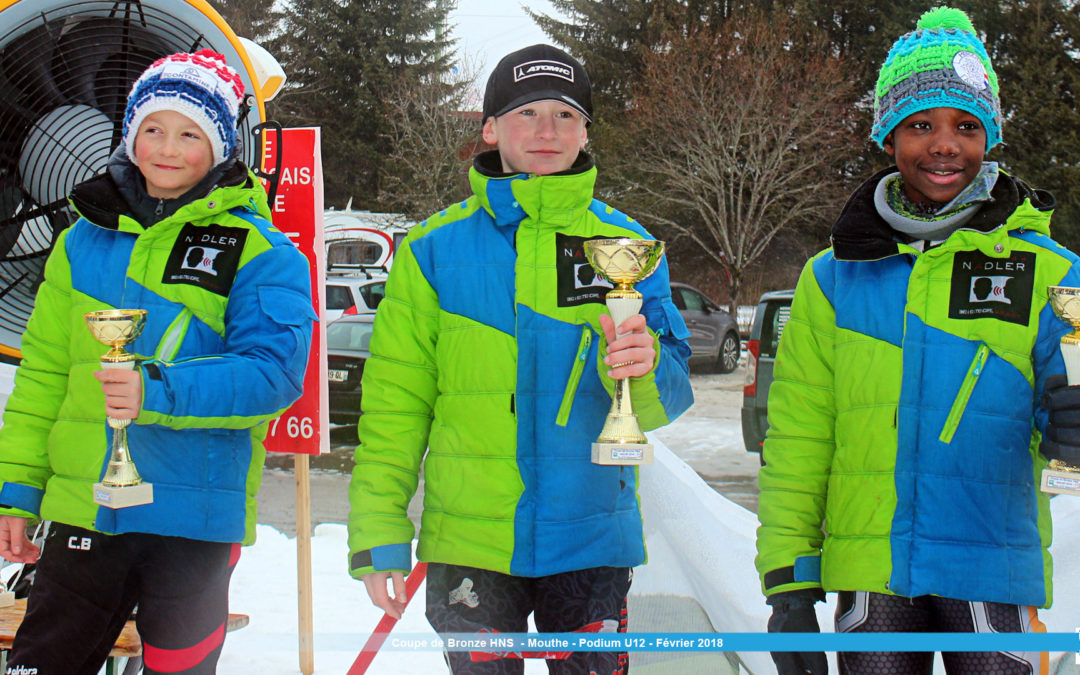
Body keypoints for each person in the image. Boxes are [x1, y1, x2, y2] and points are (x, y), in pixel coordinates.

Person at [347, 44, 694, 674]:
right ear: (489, 128)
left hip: (590, 540)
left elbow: (670, 399)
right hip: (470, 543)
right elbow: (395, 406)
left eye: (565, 115)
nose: (545, 131)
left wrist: (644, 368)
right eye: (525, 112)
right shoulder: (431, 251)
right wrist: (379, 531)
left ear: (587, 130)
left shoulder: (631, 246)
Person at [755, 7, 1080, 674]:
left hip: (993, 567)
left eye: (967, 126)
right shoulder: (833, 276)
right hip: (872, 573)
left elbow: (1064, 404)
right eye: (920, 124)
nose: (944, 144)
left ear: (989, 137)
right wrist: (788, 583)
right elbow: (799, 440)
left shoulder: (1049, 271)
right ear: (888, 134)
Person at [0, 49, 314, 674]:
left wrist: (159, 391)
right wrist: (16, 493)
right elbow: (42, 377)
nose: (167, 149)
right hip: (82, 509)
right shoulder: (79, 241)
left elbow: (273, 375)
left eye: (190, 133)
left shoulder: (265, 252)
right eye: (153, 128)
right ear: (128, 133)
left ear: (223, 148)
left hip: (193, 522)